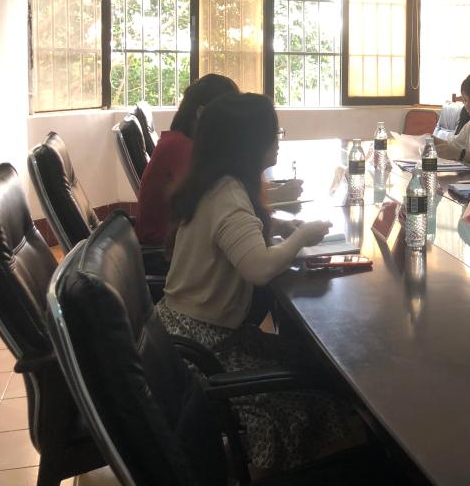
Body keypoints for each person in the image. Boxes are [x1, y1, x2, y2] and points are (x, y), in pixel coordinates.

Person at [157, 92, 361, 472]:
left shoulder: (216, 183)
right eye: (273, 134)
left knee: (314, 362)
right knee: (322, 388)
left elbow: (238, 234)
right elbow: (259, 268)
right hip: (204, 345)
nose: (278, 141)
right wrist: (303, 236)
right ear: (248, 142)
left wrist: (281, 226)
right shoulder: (228, 195)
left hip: (187, 330)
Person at [135, 74, 302, 246]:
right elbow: (218, 202)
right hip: (164, 247)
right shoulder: (181, 149)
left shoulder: (182, 142)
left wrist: (275, 194)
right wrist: (278, 195)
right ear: (202, 114)